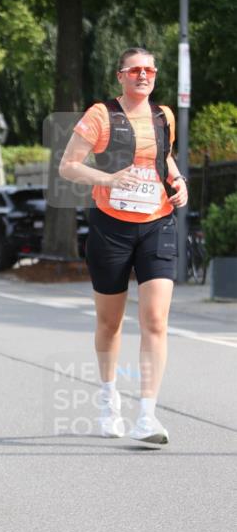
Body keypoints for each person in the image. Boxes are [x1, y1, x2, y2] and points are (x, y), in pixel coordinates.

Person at [59, 47, 188, 447]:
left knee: (155, 320)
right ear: (121, 76)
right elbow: (68, 166)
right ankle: (108, 399)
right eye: (135, 70)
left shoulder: (163, 115)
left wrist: (180, 182)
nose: (143, 75)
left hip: (157, 223)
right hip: (111, 227)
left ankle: (147, 415)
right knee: (110, 323)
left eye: (149, 69)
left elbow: (165, 159)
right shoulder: (101, 115)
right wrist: (110, 179)